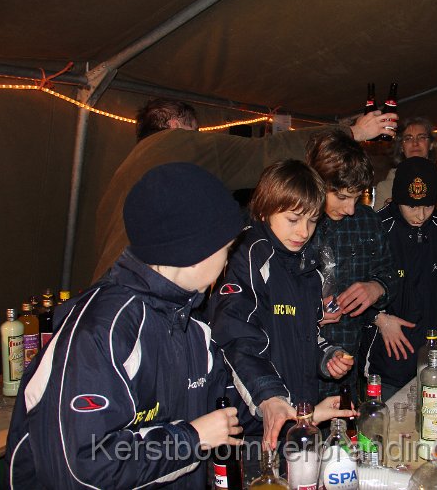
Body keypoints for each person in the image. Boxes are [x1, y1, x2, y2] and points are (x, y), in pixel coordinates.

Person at [5, 162, 245, 489]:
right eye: (226, 249)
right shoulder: (102, 331)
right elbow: (80, 469)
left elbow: (225, 403)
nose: (229, 261)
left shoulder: (190, 323)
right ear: (193, 251)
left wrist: (289, 416)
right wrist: (191, 438)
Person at [93, 99, 398, 281]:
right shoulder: (178, 142)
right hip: (148, 288)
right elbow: (264, 152)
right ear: (174, 124)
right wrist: (353, 132)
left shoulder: (124, 169)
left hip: (113, 288)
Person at [209, 160, 356, 456]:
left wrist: (327, 355)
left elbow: (305, 332)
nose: (303, 231)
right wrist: (270, 396)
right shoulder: (247, 255)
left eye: (312, 221)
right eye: (293, 219)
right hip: (251, 425)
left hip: (297, 414)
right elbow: (235, 336)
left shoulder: (307, 266)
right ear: (265, 210)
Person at [363, 157, 437, 400]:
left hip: (431, 354)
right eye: (412, 207)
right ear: (396, 199)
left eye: (427, 206)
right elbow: (353, 286)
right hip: (384, 358)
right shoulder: (376, 229)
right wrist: (379, 319)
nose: (420, 215)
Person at [305, 127, 399, 402]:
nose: (350, 209)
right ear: (318, 182)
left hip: (347, 365)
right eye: (342, 197)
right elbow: (268, 301)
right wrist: (310, 312)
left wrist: (377, 288)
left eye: (357, 197)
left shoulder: (366, 220)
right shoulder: (293, 224)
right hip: (297, 368)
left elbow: (391, 273)